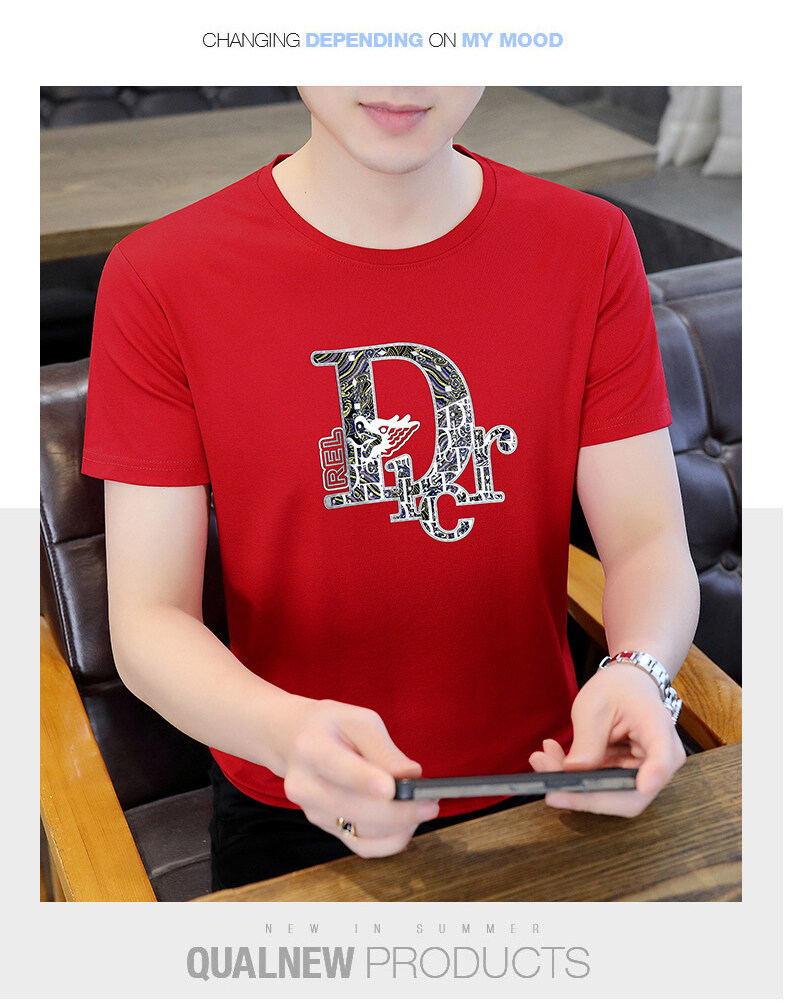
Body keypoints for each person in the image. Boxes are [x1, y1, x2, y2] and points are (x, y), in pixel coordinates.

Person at [82, 86, 698, 892]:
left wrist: (641, 670)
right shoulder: (159, 275)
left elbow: (648, 540)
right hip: (292, 795)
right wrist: (284, 732)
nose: (403, 72)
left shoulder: (589, 242)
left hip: (557, 776)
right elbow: (147, 620)